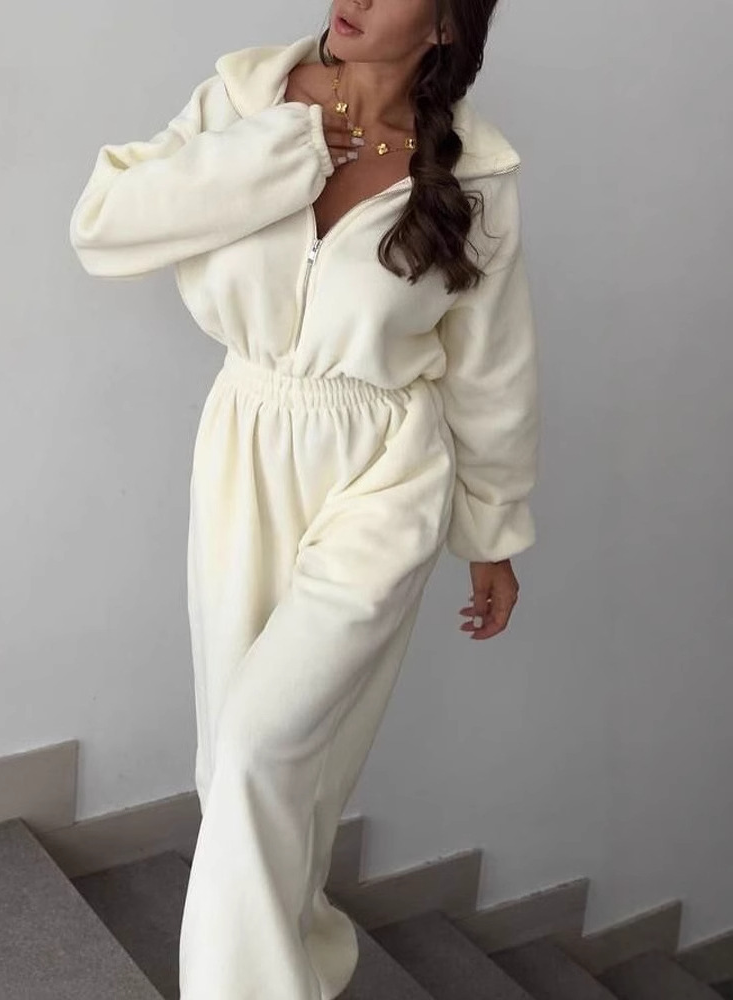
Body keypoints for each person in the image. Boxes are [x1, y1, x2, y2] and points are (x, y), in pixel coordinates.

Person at [69, 1, 539, 996]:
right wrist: (274, 154)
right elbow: (102, 226)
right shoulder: (246, 98)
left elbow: (490, 370)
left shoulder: (477, 174)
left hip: (386, 471)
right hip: (245, 447)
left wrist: (490, 533)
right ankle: (302, 943)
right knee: (239, 764)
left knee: (257, 745)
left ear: (445, 26)